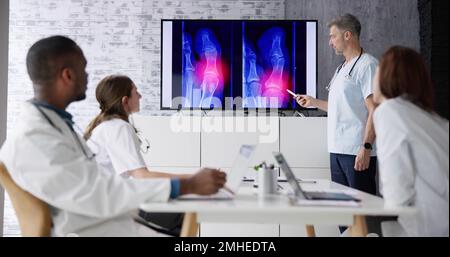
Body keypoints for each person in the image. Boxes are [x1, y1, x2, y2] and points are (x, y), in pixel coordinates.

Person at [0, 35, 226, 236]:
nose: (88, 77)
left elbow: (101, 185)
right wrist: (186, 185)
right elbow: (101, 193)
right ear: (67, 75)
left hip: (111, 222)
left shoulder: (57, 126)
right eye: (84, 69)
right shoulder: (36, 139)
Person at [84, 75, 190, 235]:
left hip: (103, 206)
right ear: (125, 101)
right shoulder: (118, 128)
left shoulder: (106, 126)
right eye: (136, 92)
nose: (140, 96)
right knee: (182, 218)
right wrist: (191, 178)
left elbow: (134, 177)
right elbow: (142, 176)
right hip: (106, 212)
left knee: (177, 215)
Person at [295, 14, 378, 196]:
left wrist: (366, 148)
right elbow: (340, 107)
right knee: (343, 214)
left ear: (347, 35)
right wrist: (313, 102)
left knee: (362, 215)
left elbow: (375, 110)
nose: (330, 42)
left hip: (356, 152)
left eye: (333, 36)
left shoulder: (368, 65)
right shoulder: (341, 68)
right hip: (337, 150)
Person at [372, 46, 449, 237]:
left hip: (426, 228)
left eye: (377, 70)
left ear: (387, 76)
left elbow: (396, 196)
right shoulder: (434, 119)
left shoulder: (390, 111)